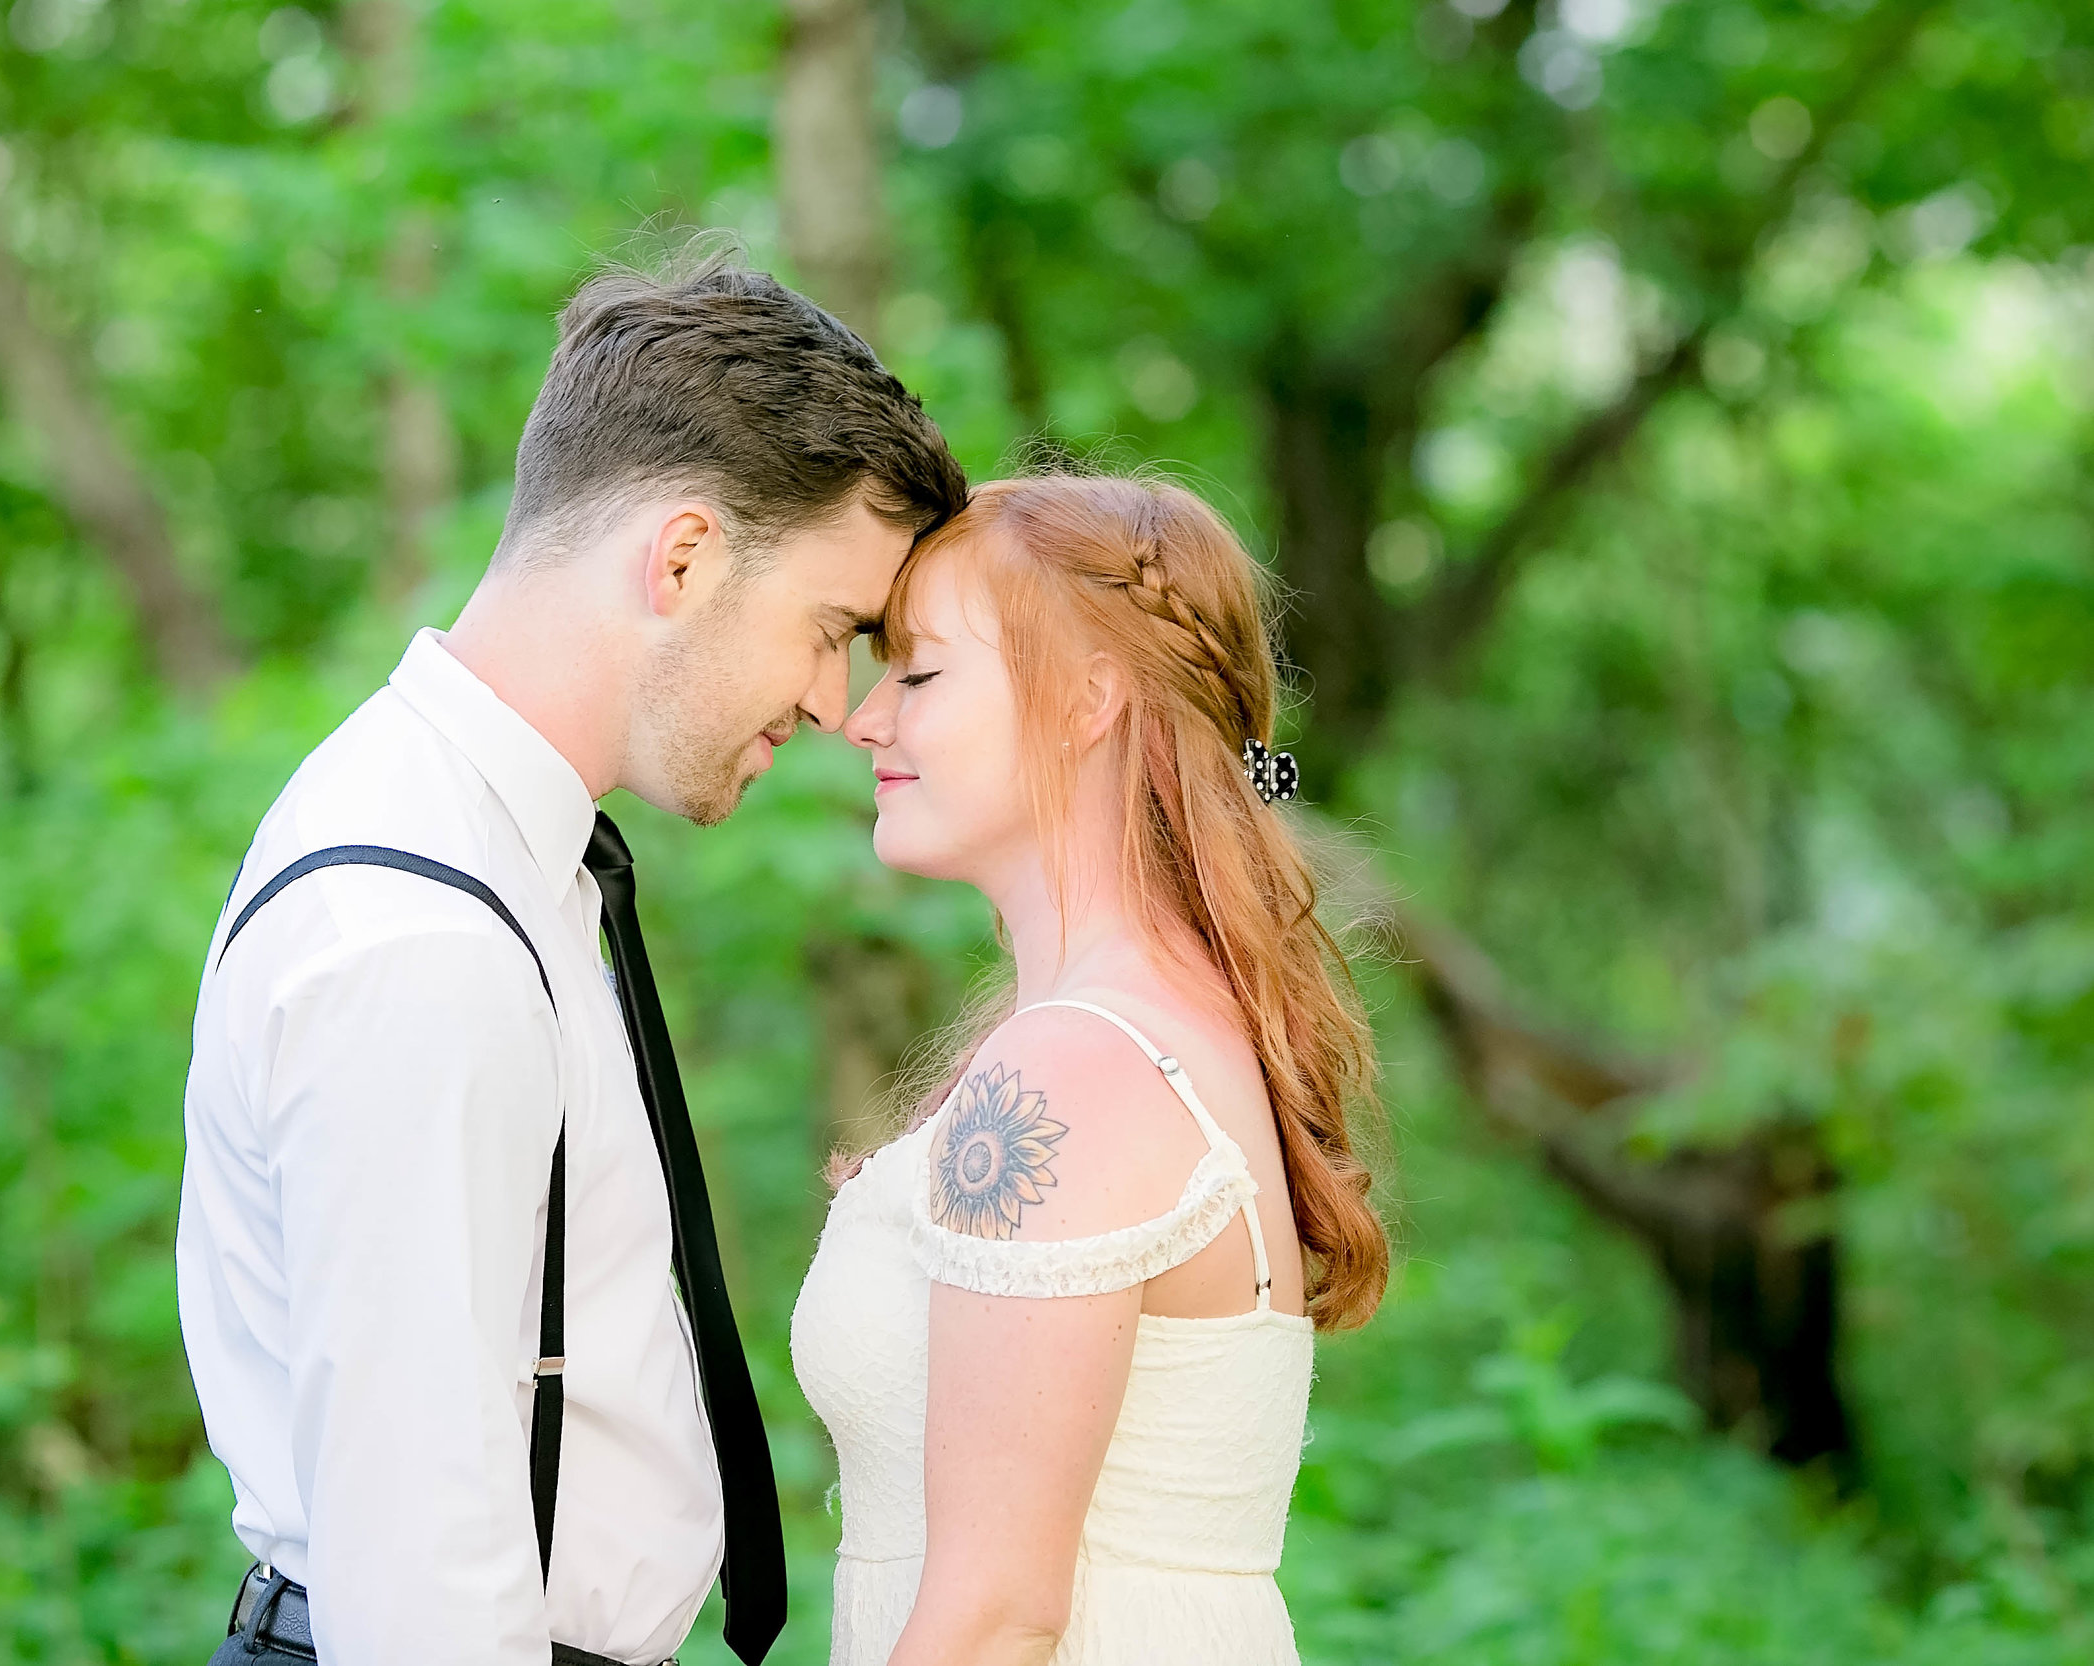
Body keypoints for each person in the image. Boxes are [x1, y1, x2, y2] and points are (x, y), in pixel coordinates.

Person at [176, 252, 966, 1666]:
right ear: (680, 559)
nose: (837, 702)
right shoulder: (416, 935)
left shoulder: (498, 857)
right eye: (832, 629)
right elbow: (420, 1580)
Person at [793, 473, 1389, 1666]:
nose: (862, 718)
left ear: (1087, 701)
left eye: (916, 673)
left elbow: (995, 1618)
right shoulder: (1138, 1032)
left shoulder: (1071, 1070)